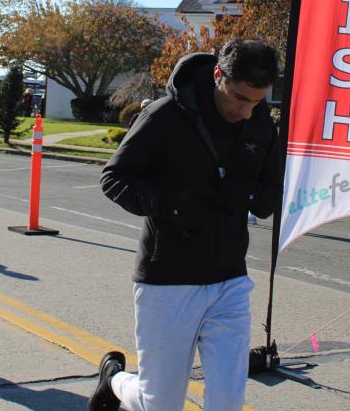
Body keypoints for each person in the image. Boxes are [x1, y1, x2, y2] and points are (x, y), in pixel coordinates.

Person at [92, 39, 283, 411]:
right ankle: (114, 381)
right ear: (218, 75)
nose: (246, 111)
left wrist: (245, 191)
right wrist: (173, 205)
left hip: (229, 281)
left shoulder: (260, 125)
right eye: (239, 98)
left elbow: (270, 195)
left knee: (227, 401)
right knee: (159, 404)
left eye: (257, 101)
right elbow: (114, 179)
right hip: (168, 281)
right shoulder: (164, 116)